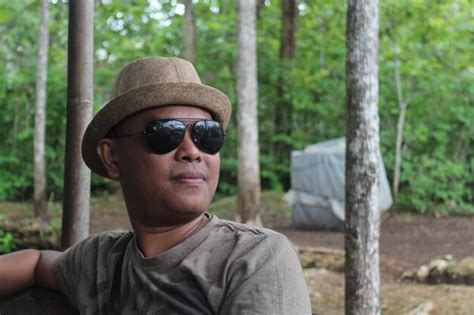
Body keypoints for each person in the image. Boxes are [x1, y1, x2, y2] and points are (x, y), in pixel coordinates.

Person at [0, 57, 311, 314]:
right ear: (112, 157)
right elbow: (38, 263)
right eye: (165, 133)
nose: (192, 151)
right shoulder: (100, 260)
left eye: (208, 135)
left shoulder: (254, 259)